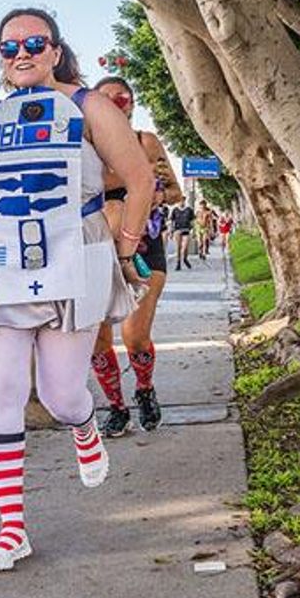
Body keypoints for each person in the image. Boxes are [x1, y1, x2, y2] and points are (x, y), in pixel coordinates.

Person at [0, 11, 154, 572]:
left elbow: (140, 178)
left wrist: (127, 247)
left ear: (56, 50)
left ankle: (84, 424)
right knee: (3, 393)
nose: (22, 53)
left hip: (72, 255)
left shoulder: (90, 107)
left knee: (63, 396)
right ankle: (12, 529)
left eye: (34, 42)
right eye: (9, 45)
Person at [87, 76, 181, 436]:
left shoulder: (146, 142)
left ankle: (144, 391)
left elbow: (174, 191)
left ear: (132, 104)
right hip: (95, 250)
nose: (114, 103)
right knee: (97, 339)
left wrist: (157, 194)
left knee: (135, 335)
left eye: (122, 98)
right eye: (104, 98)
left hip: (144, 249)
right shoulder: (83, 147)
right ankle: (116, 406)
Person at [170, 197, 195, 269]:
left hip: (186, 229)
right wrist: (171, 231)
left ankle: (185, 258)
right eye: (180, 201)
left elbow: (192, 221)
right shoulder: (175, 210)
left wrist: (193, 231)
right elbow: (172, 221)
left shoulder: (189, 210)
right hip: (177, 230)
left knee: (185, 247)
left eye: (182, 201)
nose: (181, 202)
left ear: (184, 201)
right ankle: (178, 263)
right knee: (178, 247)